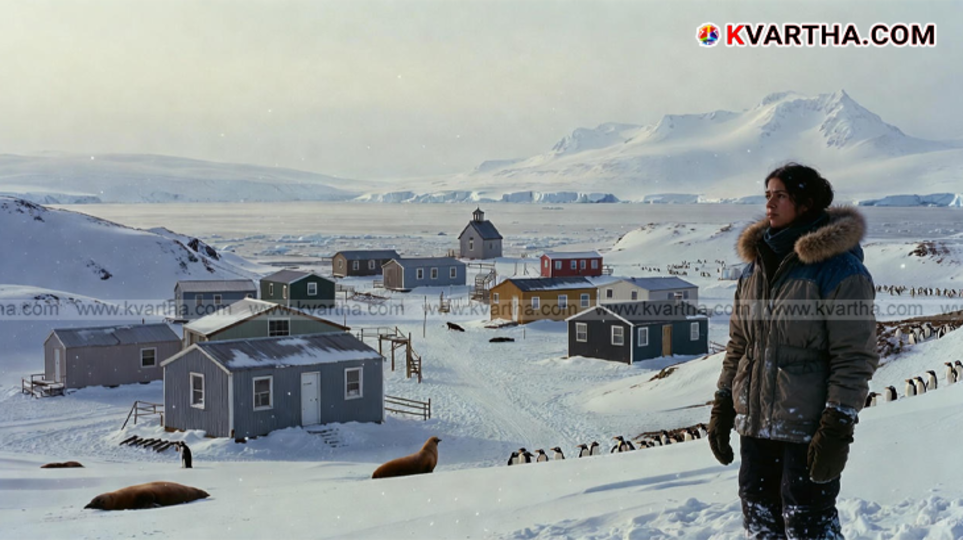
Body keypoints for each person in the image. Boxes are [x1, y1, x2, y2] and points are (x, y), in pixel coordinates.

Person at [707, 163, 879, 538]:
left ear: (805, 203)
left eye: (780, 195)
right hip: (755, 424)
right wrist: (723, 402)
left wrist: (837, 424)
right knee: (760, 522)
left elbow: (855, 356)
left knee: (807, 525)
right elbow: (740, 344)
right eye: (767, 194)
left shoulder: (838, 270)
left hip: (808, 427)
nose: (770, 203)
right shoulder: (754, 269)